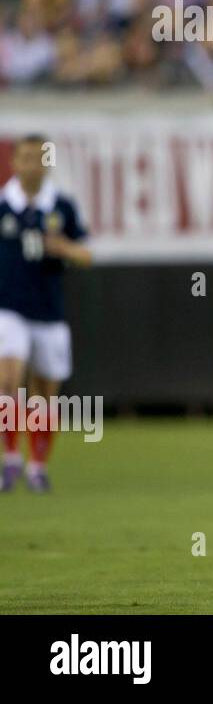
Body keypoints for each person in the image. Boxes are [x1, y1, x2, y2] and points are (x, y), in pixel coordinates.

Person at [0, 135, 92, 493]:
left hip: (50, 312)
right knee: (8, 379)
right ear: (14, 163)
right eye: (25, 158)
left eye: (39, 158)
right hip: (9, 308)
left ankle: (38, 466)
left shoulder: (61, 207)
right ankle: (10, 458)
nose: (32, 165)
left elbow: (87, 255)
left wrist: (64, 247)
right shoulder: (4, 205)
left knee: (44, 393)